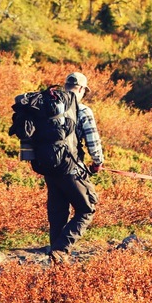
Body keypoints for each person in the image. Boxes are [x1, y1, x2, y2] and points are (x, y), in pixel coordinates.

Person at [46, 71, 105, 264]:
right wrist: (97, 163)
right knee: (87, 208)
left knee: (58, 216)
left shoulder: (50, 107)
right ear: (81, 89)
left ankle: (57, 263)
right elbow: (92, 141)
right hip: (71, 169)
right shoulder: (83, 110)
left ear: (65, 86)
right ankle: (61, 250)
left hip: (50, 169)